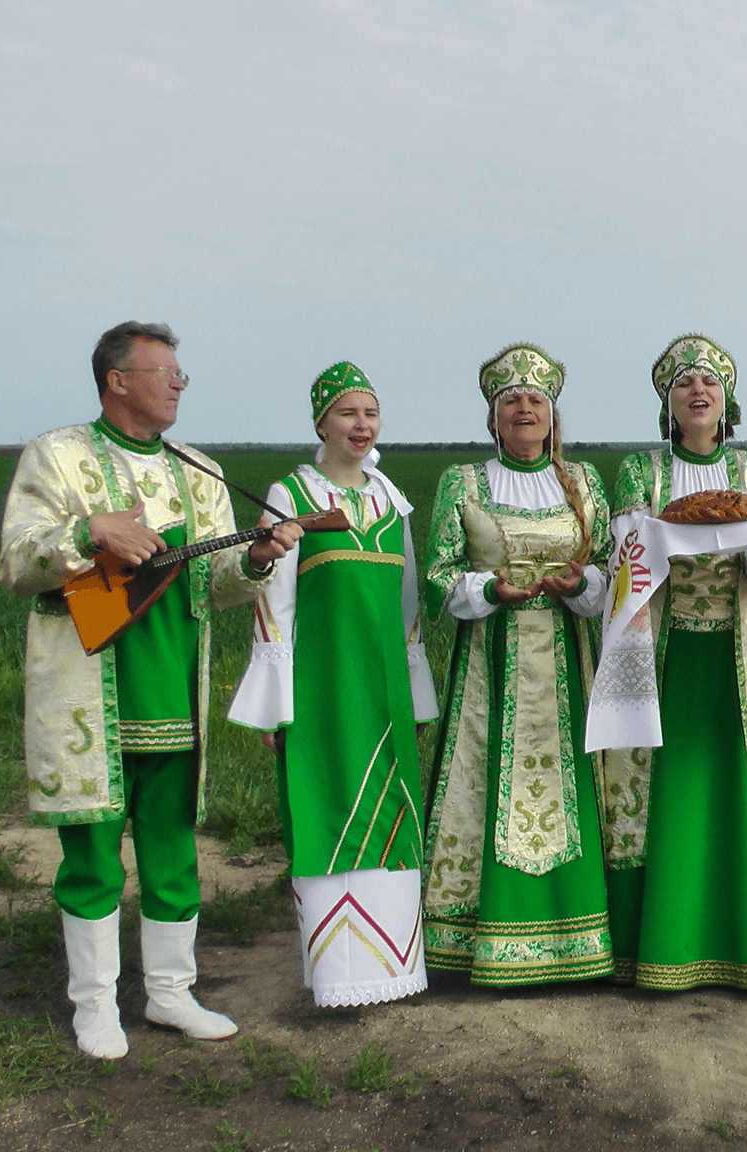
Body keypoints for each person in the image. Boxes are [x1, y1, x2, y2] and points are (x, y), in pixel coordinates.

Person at [0, 321, 302, 1058]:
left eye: (180, 375)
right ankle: (94, 1005)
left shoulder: (198, 468)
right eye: (165, 371)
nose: (177, 383)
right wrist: (88, 533)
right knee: (94, 853)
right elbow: (14, 561)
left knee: (173, 848)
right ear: (117, 379)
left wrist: (257, 556)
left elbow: (219, 585)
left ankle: (170, 994)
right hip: (88, 698)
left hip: (173, 694)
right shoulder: (57, 456)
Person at [226, 362, 438, 1007]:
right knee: (327, 808)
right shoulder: (289, 495)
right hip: (321, 690)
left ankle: (395, 968)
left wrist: (414, 688)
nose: (362, 425)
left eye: (370, 414)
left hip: (382, 691)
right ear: (321, 422)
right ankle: (338, 975)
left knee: (392, 807)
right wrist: (274, 705)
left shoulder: (390, 501)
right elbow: (275, 606)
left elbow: (407, 609)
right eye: (348, 413)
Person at [600, 334, 747, 990]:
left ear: (726, 399)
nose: (698, 391)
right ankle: (663, 946)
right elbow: (630, 548)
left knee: (744, 793)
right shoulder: (640, 471)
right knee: (667, 793)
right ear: (669, 402)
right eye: (684, 383)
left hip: (741, 649)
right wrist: (664, 536)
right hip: (666, 650)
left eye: (709, 382)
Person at [420, 343, 615, 986]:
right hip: (490, 663)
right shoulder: (463, 483)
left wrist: (580, 583)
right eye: (511, 402)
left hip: (568, 655)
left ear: (553, 416)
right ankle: (480, 936)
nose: (524, 409)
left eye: (535, 400)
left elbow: (613, 570)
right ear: (493, 418)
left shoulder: (582, 482)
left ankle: (573, 937)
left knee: (569, 784)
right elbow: (438, 576)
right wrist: (486, 590)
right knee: (485, 780)